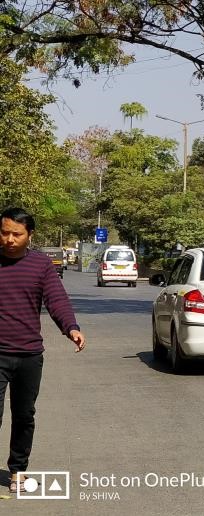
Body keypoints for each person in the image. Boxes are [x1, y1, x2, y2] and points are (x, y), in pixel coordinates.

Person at [0, 207, 85, 493]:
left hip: (28, 355)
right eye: (4, 233)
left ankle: (18, 471)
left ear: (29, 235)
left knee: (24, 415)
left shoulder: (40, 265)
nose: (9, 239)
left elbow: (56, 298)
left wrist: (70, 327)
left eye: (16, 234)